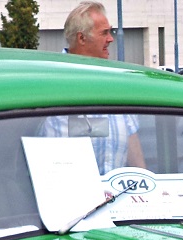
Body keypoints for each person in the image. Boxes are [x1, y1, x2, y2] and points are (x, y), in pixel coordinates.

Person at [53, 1, 146, 172]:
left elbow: (135, 155)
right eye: (104, 33)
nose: (111, 39)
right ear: (82, 38)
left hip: (119, 195)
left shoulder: (117, 86)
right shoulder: (53, 84)